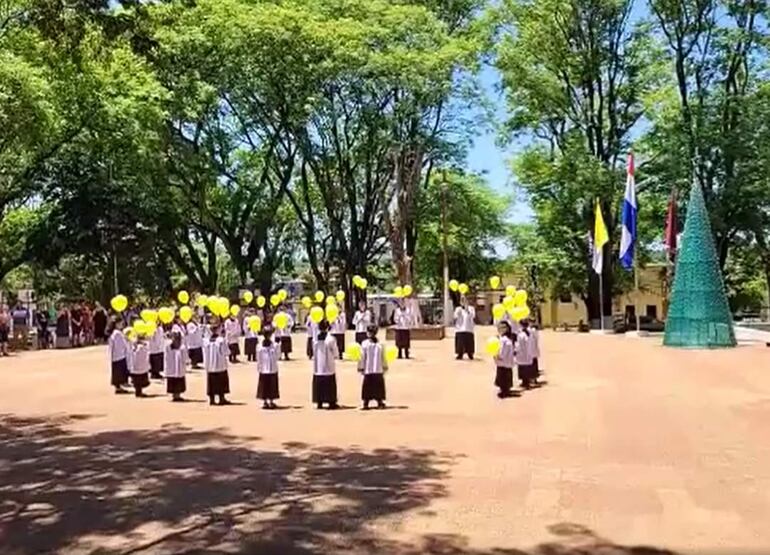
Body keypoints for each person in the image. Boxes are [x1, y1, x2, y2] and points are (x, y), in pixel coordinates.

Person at [358, 324, 388, 410]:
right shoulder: (380, 344)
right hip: (378, 369)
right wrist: (384, 366)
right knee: (378, 386)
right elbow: (383, 356)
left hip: (368, 369)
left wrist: (361, 366)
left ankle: (366, 403)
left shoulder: (365, 344)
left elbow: (362, 357)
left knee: (368, 386)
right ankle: (379, 402)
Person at [312, 319, 339, 410]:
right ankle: (331, 402)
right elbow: (335, 351)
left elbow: (313, 350)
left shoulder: (315, 339)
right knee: (329, 382)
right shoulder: (331, 339)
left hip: (318, 364)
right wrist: (336, 356)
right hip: (328, 364)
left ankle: (319, 402)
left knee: (319, 381)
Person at [204, 319, 231, 406]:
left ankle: (212, 399)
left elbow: (205, 353)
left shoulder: (206, 341)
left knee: (211, 382)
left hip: (210, 365)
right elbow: (226, 352)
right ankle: (221, 398)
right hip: (220, 364)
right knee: (221, 381)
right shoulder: (221, 340)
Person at [256, 325, 280, 409]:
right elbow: (278, 356)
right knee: (268, 385)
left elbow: (258, 358)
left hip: (267, 368)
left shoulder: (261, 346)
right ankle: (268, 401)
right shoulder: (273, 346)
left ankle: (267, 401)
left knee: (268, 385)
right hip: (268, 368)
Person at [493, 321, 516, 399]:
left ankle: (504, 391)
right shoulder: (508, 338)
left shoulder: (504, 340)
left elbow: (502, 351)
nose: (500, 329)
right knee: (506, 376)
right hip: (508, 362)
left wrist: (497, 356)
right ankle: (506, 389)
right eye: (499, 328)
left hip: (503, 362)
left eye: (502, 328)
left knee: (503, 377)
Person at [107, 318, 130, 394]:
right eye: (120, 323)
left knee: (117, 371)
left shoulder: (115, 333)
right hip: (119, 355)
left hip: (117, 355)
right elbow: (121, 345)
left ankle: (119, 386)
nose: (121, 324)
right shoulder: (117, 333)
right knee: (119, 372)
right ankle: (118, 387)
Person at [165, 331, 188, 402]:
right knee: (173, 379)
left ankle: (177, 395)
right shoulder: (168, 346)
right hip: (172, 366)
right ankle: (175, 395)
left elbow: (184, 357)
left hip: (178, 367)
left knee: (178, 379)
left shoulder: (182, 347)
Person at [130, 333, 151, 398]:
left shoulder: (133, 345)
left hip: (135, 366)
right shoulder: (142, 346)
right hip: (140, 367)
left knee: (136, 380)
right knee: (140, 379)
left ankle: (138, 391)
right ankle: (139, 392)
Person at [516, 319, 536, 389]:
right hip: (528, 353)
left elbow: (518, 345)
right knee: (527, 368)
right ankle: (526, 381)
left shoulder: (521, 335)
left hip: (522, 354)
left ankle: (524, 382)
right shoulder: (529, 333)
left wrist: (516, 350)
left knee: (522, 368)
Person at [530, 321, 541, 385]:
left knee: (533, 365)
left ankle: (533, 378)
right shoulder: (533, 330)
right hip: (533, 350)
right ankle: (533, 378)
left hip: (532, 350)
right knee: (533, 365)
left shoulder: (533, 330)